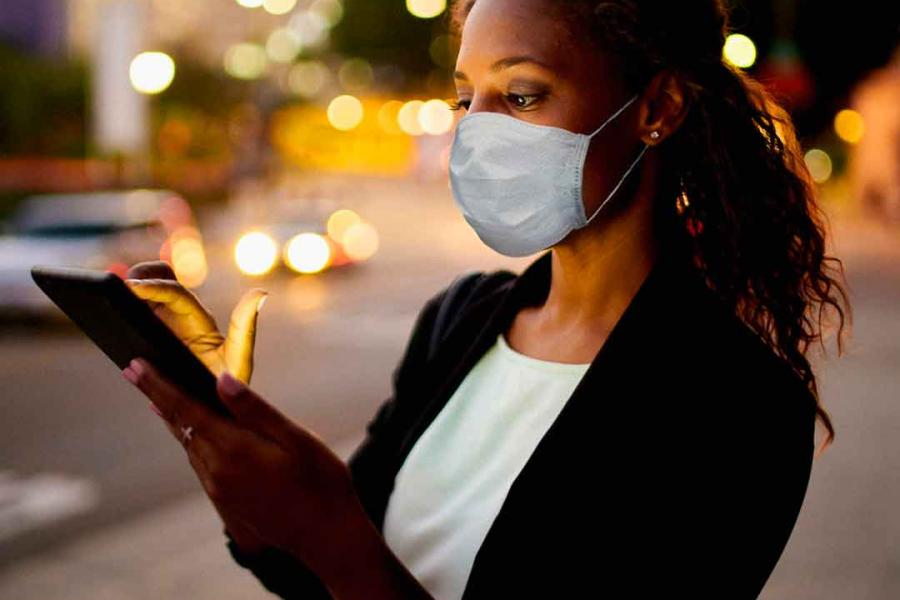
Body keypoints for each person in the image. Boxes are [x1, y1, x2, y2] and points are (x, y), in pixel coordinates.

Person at [120, 0, 852, 598]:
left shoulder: (741, 407)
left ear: (655, 107)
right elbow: (313, 572)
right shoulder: (461, 318)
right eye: (467, 99)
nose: (478, 133)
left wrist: (328, 535)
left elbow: (342, 554)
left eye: (522, 95)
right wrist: (230, 461)